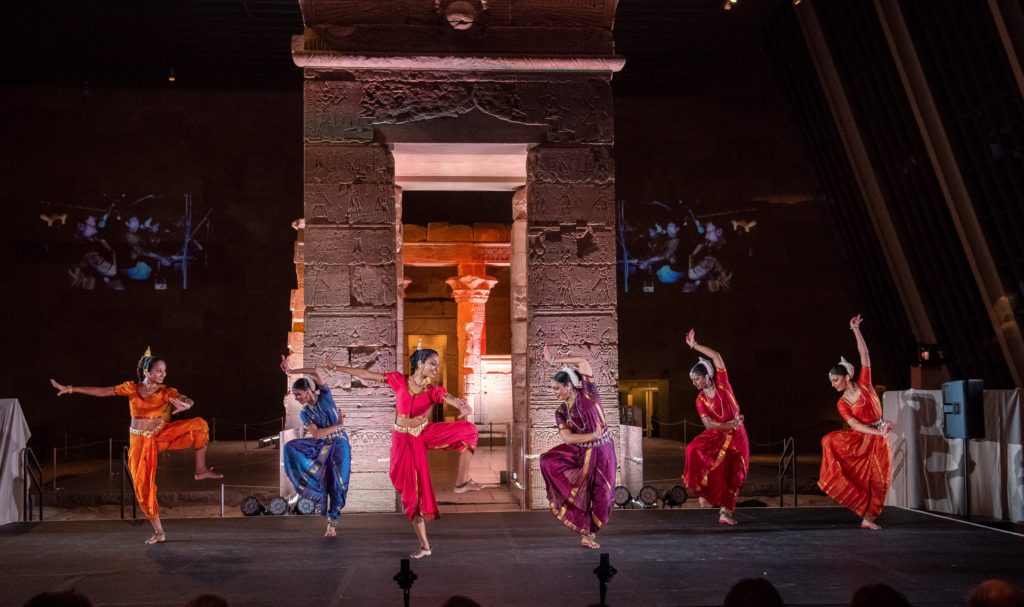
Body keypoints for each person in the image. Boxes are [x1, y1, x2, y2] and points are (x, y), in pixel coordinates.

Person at [49, 348, 221, 544]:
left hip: (160, 434)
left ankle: (200, 470)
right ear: (147, 372)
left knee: (200, 425)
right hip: (139, 442)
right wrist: (71, 389)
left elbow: (184, 398)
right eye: (159, 371)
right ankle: (159, 532)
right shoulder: (131, 388)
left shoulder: (165, 392)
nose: (163, 374)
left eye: (164, 371)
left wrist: (187, 404)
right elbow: (104, 391)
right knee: (143, 488)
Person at [325, 348, 480, 558]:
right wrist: (336, 368)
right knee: (410, 493)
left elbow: (451, 399)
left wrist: (463, 406)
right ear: (420, 363)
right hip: (402, 440)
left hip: (422, 434)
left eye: (437, 364)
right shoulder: (398, 380)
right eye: (432, 363)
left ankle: (461, 482)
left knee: (469, 430)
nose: (436, 368)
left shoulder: (433, 390)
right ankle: (425, 546)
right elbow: (365, 374)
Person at [819, 314, 893, 529]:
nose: (833, 385)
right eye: (831, 381)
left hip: (879, 437)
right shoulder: (841, 403)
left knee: (880, 479)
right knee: (830, 442)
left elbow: (865, 354)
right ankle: (861, 509)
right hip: (863, 439)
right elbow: (855, 426)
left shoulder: (864, 384)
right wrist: (879, 432)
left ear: (846, 377)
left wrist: (855, 330)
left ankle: (869, 519)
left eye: (835, 380)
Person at [539, 349, 617, 549]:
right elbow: (567, 438)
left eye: (557, 388)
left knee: (603, 495)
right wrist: (593, 436)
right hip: (581, 453)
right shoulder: (561, 412)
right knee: (552, 465)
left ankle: (591, 532)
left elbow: (582, 360)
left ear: (568, 386)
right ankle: (586, 533)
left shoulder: (589, 392)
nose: (555, 393)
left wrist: (554, 359)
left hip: (604, 453)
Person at [681, 329, 749, 525]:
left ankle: (726, 513)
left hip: (737, 436)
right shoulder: (700, 399)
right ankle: (702, 490)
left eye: (697, 379)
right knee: (693, 450)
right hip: (717, 434)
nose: (695, 383)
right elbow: (708, 423)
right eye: (692, 381)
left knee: (736, 473)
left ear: (707, 376)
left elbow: (716, 356)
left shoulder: (723, 385)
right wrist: (728, 424)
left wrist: (694, 346)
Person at [280, 356, 352, 537]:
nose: (297, 398)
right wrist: (338, 425)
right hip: (322, 445)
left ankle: (332, 524)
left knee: (337, 483)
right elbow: (317, 434)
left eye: (298, 394)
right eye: (295, 395)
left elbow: (316, 371)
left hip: (340, 445)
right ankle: (312, 485)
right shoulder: (305, 413)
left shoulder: (325, 396)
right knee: (290, 447)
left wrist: (291, 371)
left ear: (307, 391)